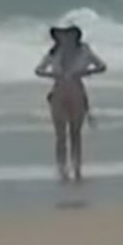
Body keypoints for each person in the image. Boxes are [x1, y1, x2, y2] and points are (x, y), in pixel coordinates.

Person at [35, 25, 106, 183]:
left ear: (76, 36)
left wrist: (84, 72)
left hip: (77, 91)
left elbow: (101, 66)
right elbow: (38, 70)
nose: (65, 38)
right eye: (63, 35)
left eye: (68, 34)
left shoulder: (84, 51)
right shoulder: (54, 52)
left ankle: (76, 167)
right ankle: (61, 167)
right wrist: (53, 74)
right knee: (60, 135)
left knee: (75, 133)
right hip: (58, 91)